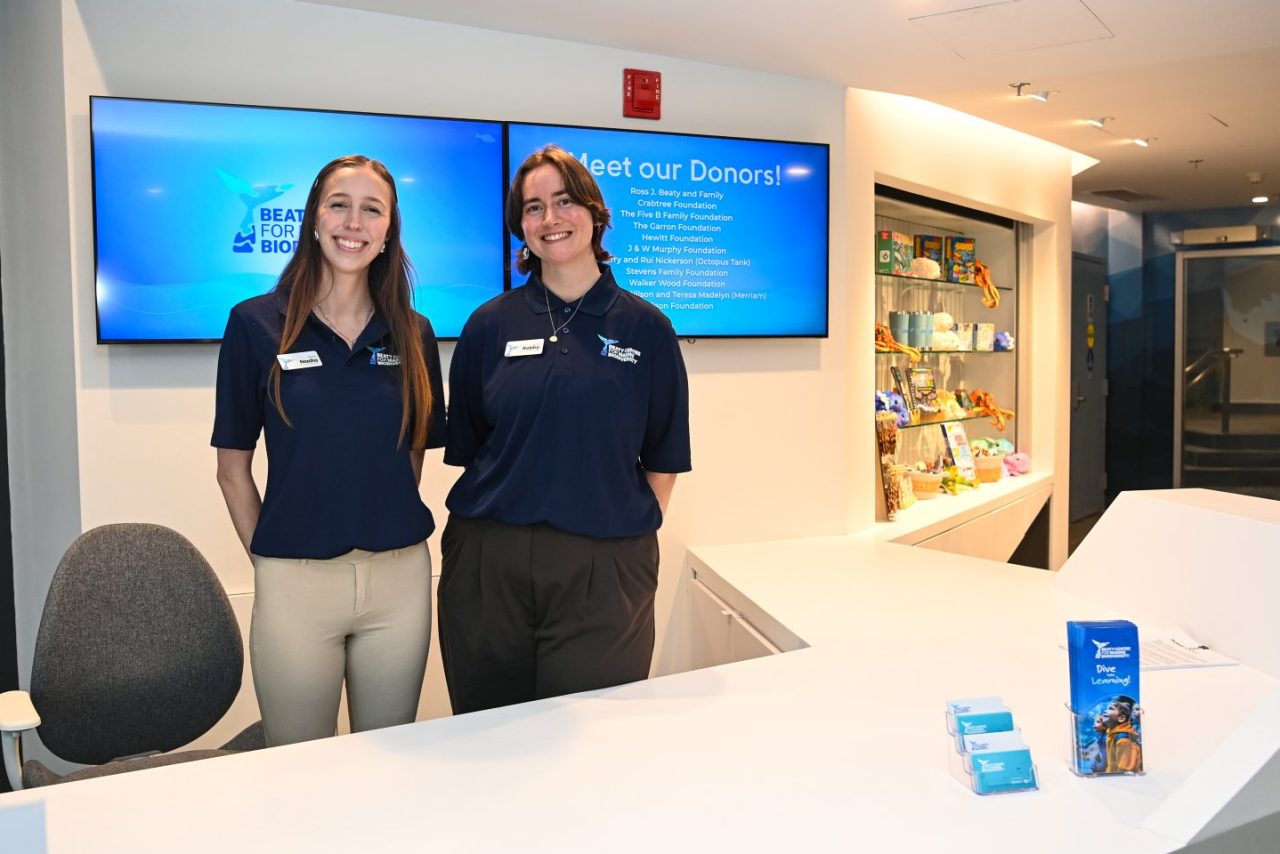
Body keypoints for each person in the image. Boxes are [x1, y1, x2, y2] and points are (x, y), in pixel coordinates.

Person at [440, 144, 691, 713]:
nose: (550, 218)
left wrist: (616, 540)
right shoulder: (488, 324)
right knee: (486, 733)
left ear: (595, 213)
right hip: (489, 562)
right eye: (533, 208)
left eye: (564, 201)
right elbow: (474, 448)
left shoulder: (647, 328)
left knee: (595, 734)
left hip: (605, 564)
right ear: (520, 226)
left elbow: (664, 457)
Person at [212, 154, 446, 746]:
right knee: (299, 767)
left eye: (372, 210)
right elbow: (232, 469)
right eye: (339, 205)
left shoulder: (413, 332)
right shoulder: (255, 325)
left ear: (389, 229)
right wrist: (271, 562)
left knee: (392, 759)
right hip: (296, 583)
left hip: (399, 582)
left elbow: (411, 456)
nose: (354, 223)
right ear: (314, 218)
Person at [1093, 695, 1142, 773]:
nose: (1105, 711)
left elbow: (1125, 769)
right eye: (1106, 708)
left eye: (1111, 708)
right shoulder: (1111, 734)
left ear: (1121, 718)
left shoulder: (1123, 741)